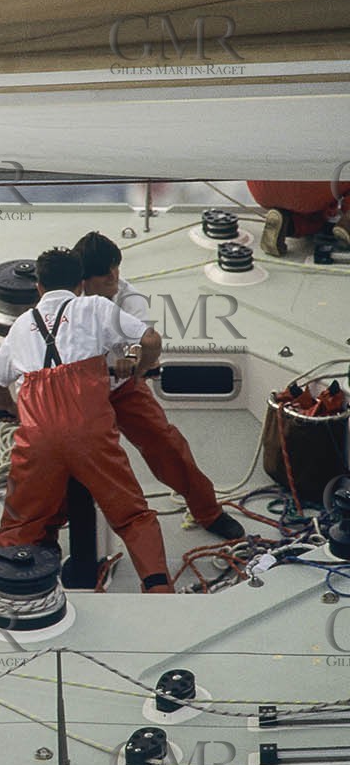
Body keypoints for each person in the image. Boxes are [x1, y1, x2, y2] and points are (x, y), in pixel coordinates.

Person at [0, 248, 173, 593]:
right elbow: (150, 339)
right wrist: (141, 369)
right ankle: (159, 590)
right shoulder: (95, 307)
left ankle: (2, 593)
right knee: (131, 513)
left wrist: (9, 408)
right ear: (79, 284)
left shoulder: (20, 326)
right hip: (88, 426)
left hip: (37, 431)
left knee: (21, 520)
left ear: (38, 287)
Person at [73, 231, 244, 541]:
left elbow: (143, 342)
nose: (114, 276)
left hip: (124, 385)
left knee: (166, 445)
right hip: (81, 396)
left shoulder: (129, 297)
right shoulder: (69, 301)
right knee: (67, 456)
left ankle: (208, 510)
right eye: (104, 272)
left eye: (116, 267)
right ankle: (46, 528)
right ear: (83, 279)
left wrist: (134, 364)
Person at [247, 180, 350, 257]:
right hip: (308, 188)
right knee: (315, 205)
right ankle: (347, 221)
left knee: (315, 213)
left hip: (262, 187)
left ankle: (287, 221)